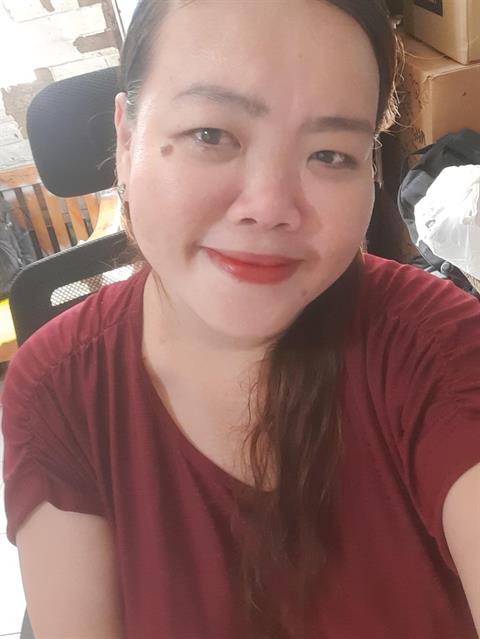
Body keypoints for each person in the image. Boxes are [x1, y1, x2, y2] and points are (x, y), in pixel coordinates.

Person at [2, 1, 480, 637]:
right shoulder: (57, 391)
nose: (270, 205)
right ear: (126, 137)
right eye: (210, 135)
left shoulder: (442, 348)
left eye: (331, 154)